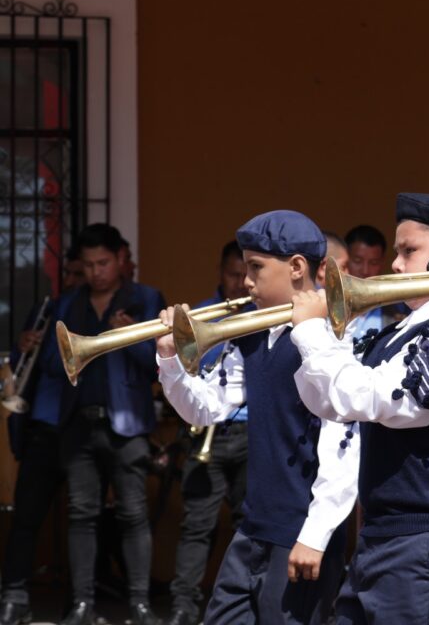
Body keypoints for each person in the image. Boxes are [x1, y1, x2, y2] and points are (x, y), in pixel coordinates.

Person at [291, 192, 429, 624]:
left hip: (428, 537)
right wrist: (321, 338)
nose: (395, 265)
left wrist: (313, 333)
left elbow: (382, 401)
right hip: (388, 532)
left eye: (408, 251)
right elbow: (332, 405)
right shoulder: (401, 331)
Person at [155, 211, 358, 625]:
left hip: (301, 532)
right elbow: (205, 406)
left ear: (297, 268)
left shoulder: (334, 338)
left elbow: (344, 443)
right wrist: (169, 357)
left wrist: (316, 536)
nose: (245, 281)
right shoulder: (250, 336)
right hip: (253, 525)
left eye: (256, 268)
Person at [32, 224, 166, 625]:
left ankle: (140, 605)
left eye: (103, 263)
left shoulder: (145, 299)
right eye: (88, 265)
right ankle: (81, 605)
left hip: (126, 424)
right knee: (81, 514)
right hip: (78, 424)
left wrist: (127, 336)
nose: (96, 272)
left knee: (133, 514)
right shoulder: (68, 304)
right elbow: (51, 365)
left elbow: (159, 364)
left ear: (120, 260)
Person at [166, 241, 253, 625]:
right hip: (207, 434)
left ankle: (243, 604)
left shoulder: (259, 314)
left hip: (249, 433)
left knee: (247, 522)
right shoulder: (199, 313)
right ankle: (183, 607)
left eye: (245, 275)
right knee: (196, 524)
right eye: (232, 274)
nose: (239, 283)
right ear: (220, 272)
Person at [0, 246, 87, 625]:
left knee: (85, 520)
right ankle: (14, 595)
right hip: (43, 425)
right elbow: (29, 370)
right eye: (66, 273)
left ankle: (80, 602)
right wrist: (24, 347)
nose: (70, 281)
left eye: (76, 273)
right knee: (26, 517)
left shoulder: (93, 311)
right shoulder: (48, 308)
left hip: (82, 431)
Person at [342, 226, 394, 343]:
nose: (365, 270)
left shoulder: (399, 310)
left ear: (382, 263)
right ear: (345, 260)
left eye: (374, 262)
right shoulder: (324, 305)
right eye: (357, 261)